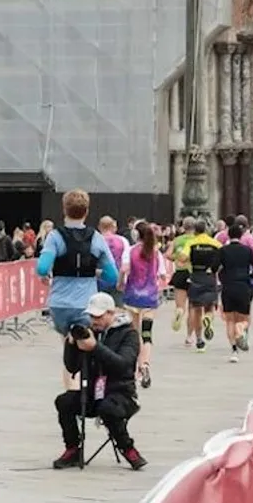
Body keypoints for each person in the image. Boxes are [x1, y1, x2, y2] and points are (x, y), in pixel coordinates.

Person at [52, 291, 147, 470]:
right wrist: (71, 345)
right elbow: (72, 367)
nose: (94, 321)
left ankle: (127, 448)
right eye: (91, 316)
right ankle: (73, 448)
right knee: (64, 401)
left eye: (98, 316)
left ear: (111, 313)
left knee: (108, 408)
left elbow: (123, 366)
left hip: (121, 393)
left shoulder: (129, 334)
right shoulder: (90, 333)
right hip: (91, 392)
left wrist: (95, 348)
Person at [35, 190, 121, 335]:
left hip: (59, 304)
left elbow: (42, 268)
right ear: (86, 212)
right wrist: (95, 272)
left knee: (68, 340)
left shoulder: (55, 237)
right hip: (86, 304)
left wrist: (46, 274)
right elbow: (112, 276)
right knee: (86, 341)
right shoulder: (96, 238)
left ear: (64, 210)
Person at [119, 221, 164, 388]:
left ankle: (134, 368)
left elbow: (124, 269)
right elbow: (161, 275)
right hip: (150, 298)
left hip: (132, 297)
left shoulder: (130, 251)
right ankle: (145, 365)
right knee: (147, 334)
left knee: (133, 333)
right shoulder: (156, 252)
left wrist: (119, 283)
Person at [218, 220, 253, 361]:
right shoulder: (247, 250)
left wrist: (222, 277)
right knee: (244, 318)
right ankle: (241, 329)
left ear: (229, 236)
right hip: (243, 285)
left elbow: (214, 267)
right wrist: (250, 276)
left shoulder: (223, 250)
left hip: (228, 286)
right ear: (242, 235)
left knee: (229, 319)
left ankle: (234, 351)